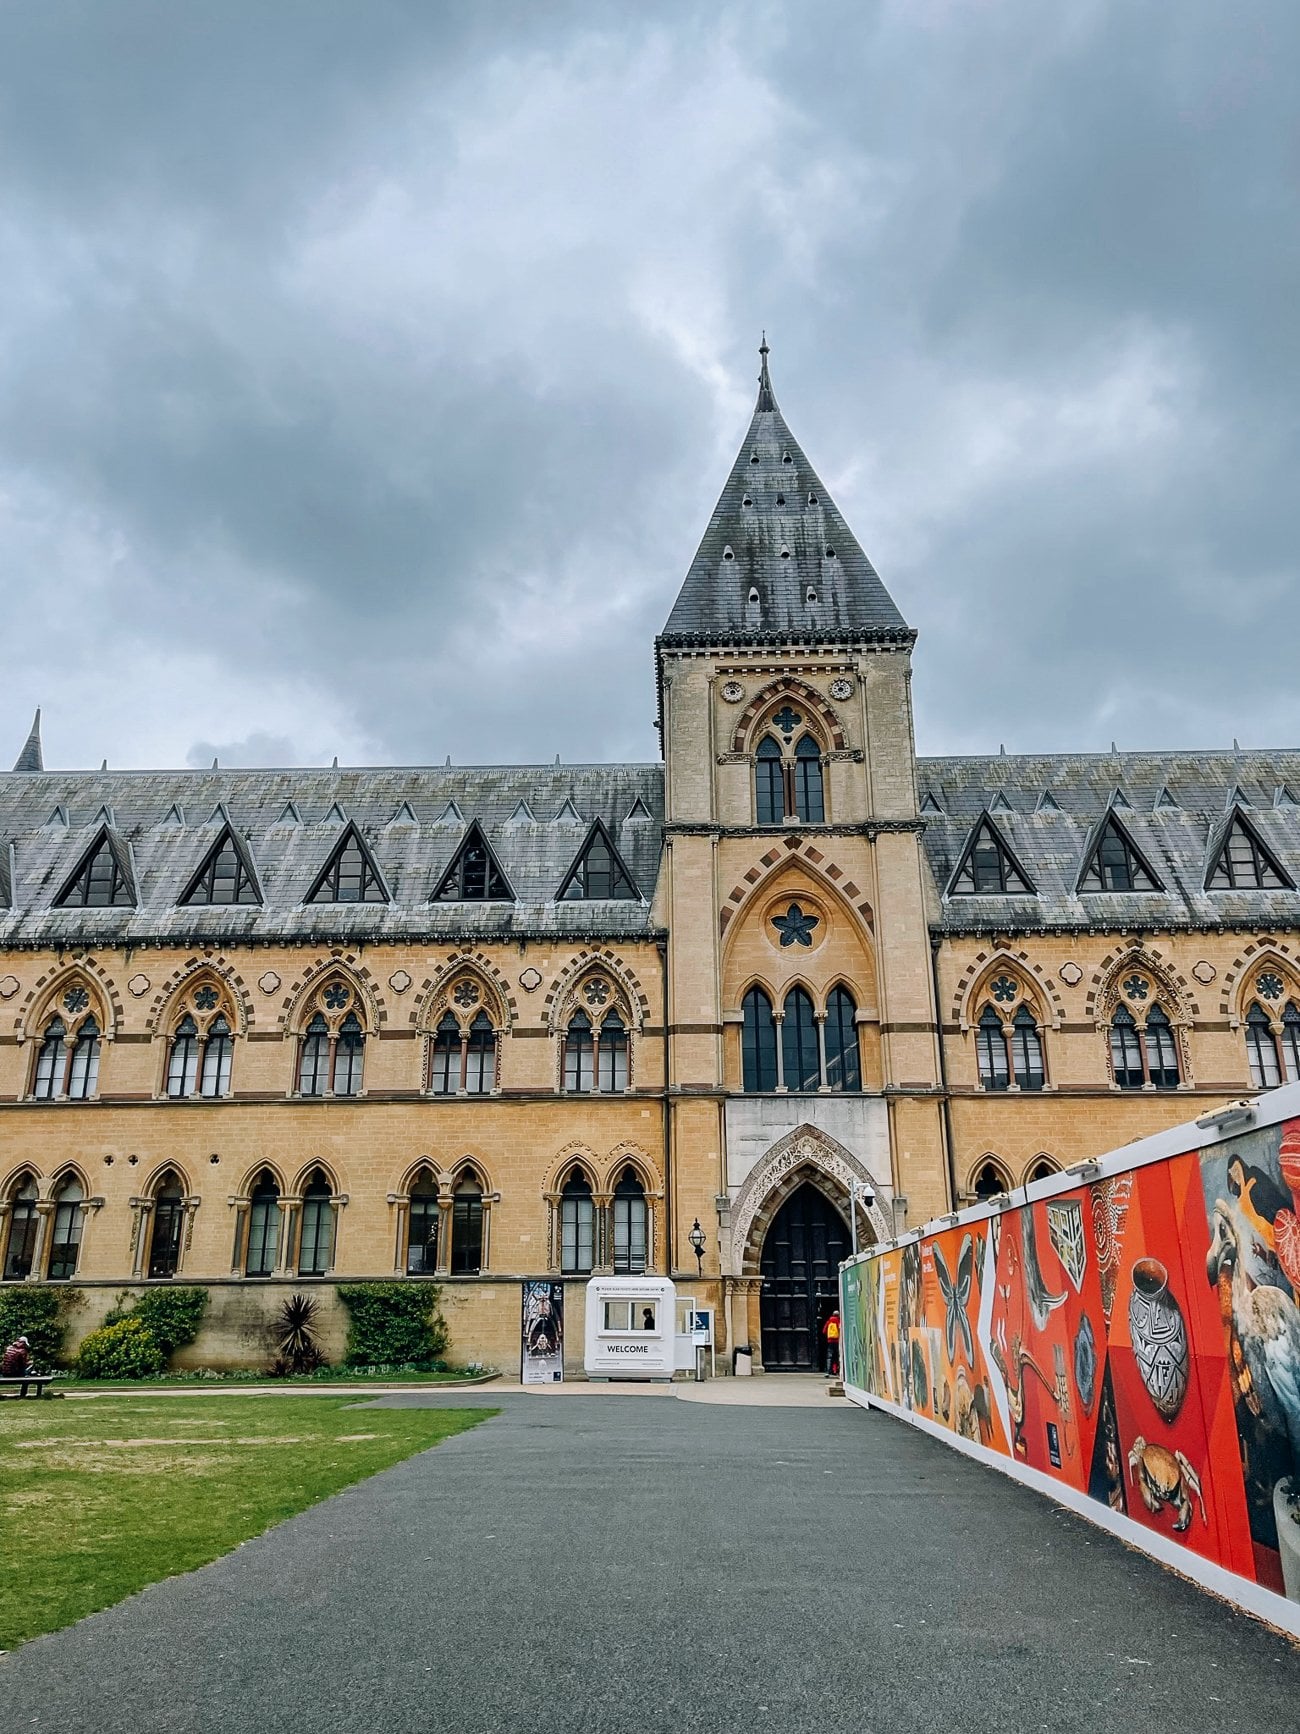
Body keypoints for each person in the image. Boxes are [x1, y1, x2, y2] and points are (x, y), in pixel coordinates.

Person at [822, 1309, 841, 1378]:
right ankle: (836, 1371)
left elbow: (824, 1331)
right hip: (837, 1341)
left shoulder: (829, 1322)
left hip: (830, 1341)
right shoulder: (839, 1321)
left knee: (829, 1356)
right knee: (837, 1356)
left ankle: (828, 1371)